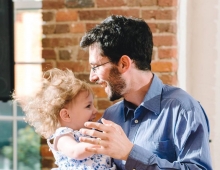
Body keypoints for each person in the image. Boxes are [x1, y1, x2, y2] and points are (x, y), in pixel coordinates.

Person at [79, 15, 213, 170]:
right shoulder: (110, 117)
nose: (92, 77)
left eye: (96, 66)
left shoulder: (183, 109)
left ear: (124, 63)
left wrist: (131, 154)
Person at [14, 68, 116, 170]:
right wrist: (99, 142)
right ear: (66, 115)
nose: (95, 110)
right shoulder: (62, 136)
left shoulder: (89, 132)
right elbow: (75, 151)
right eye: (88, 106)